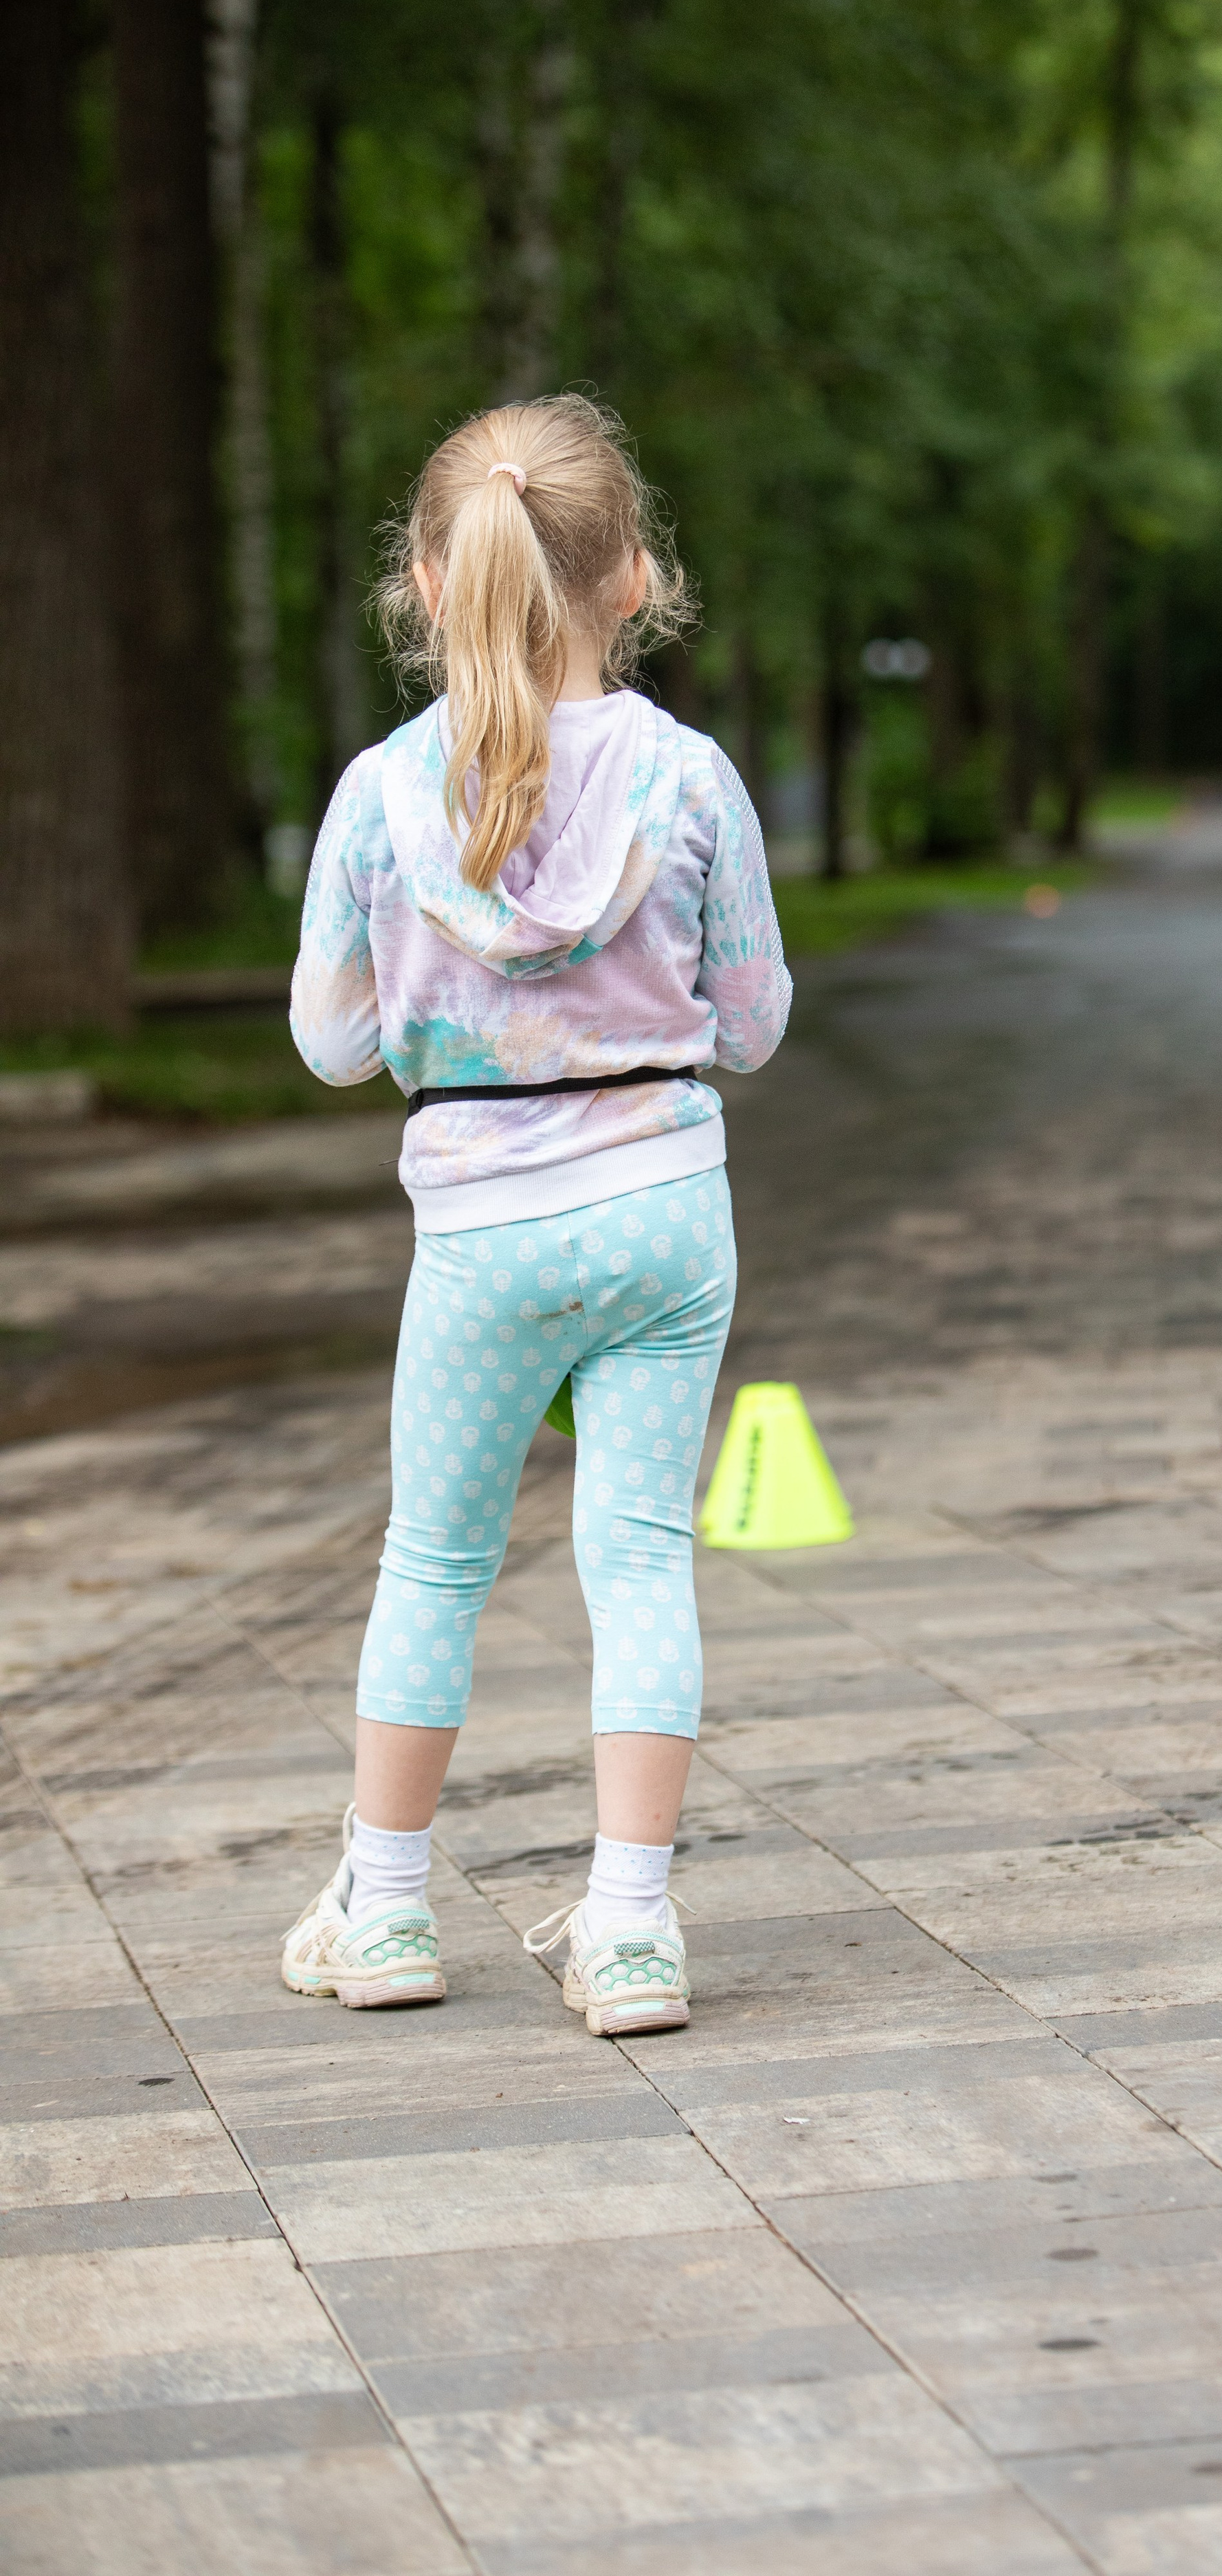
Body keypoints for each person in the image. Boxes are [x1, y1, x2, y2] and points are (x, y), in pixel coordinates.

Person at [279, 393, 789, 2033]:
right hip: (660, 1211)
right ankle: (630, 1929)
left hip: (482, 1225)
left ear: (427, 584)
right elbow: (755, 1020)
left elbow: (335, 1045)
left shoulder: (380, 794)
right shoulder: (690, 777)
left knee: (433, 1561)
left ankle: (390, 1911)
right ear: (632, 576)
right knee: (640, 1557)